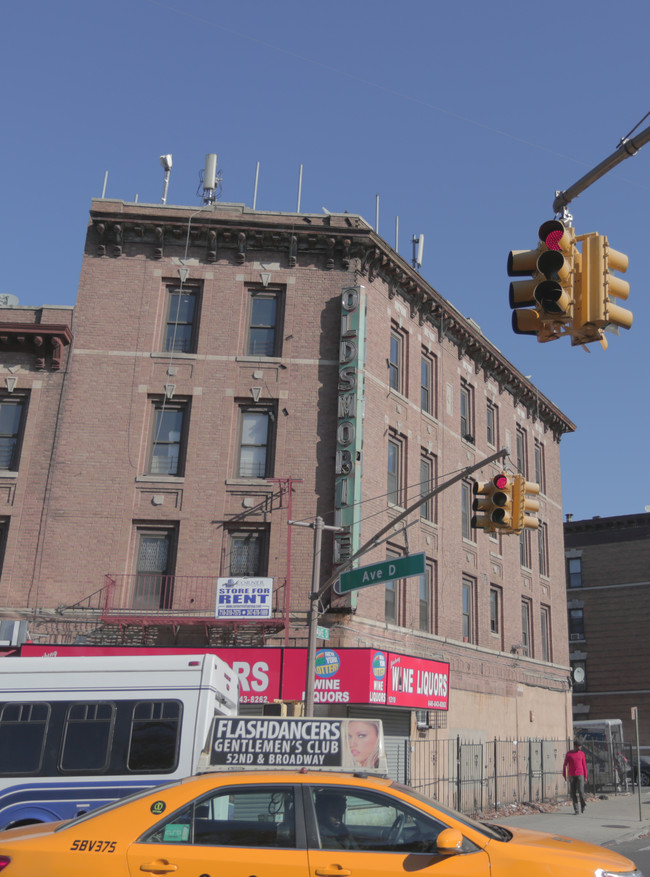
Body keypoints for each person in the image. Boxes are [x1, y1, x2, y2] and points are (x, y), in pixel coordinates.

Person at [563, 740, 588, 814]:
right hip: (572, 775)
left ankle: (583, 805)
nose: (580, 747)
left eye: (580, 746)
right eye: (579, 746)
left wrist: (586, 776)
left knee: (581, 791)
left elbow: (584, 766)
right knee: (573, 793)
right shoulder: (569, 754)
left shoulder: (582, 754)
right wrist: (565, 775)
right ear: (575, 746)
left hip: (581, 774)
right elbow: (565, 764)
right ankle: (576, 809)